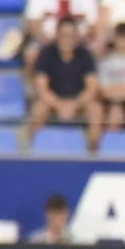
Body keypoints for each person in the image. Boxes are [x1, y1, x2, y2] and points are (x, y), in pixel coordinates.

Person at [27, 15, 104, 151]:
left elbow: (91, 88)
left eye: (71, 36)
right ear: (57, 35)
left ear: (76, 37)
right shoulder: (46, 53)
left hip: (79, 101)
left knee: (96, 110)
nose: (67, 40)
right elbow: (41, 88)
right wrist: (60, 105)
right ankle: (33, 150)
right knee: (39, 109)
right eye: (64, 36)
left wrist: (74, 105)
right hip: (52, 100)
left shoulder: (85, 55)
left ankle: (92, 152)